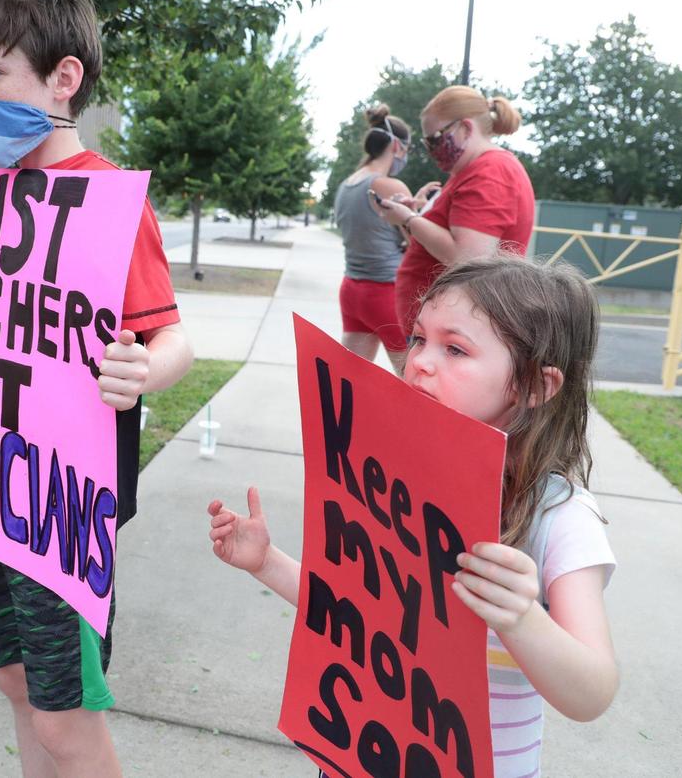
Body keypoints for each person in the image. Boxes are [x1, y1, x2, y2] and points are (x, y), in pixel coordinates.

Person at [0, 0, 193, 778]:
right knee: (14, 681)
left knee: (64, 719)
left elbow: (175, 344)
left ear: (63, 79)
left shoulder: (107, 201)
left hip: (61, 512)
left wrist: (141, 369)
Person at [207, 254, 617, 778]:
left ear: (535, 386)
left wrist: (522, 618)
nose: (418, 360)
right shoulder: (389, 478)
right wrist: (267, 564)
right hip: (363, 752)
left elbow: (592, 692)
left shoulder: (558, 516)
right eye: (420, 338)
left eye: (455, 349)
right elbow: (360, 611)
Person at [372, 85, 536, 335]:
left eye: (434, 139)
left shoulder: (489, 173)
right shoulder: (473, 170)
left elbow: (467, 258)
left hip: (452, 335)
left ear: (466, 128)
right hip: (445, 332)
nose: (431, 149)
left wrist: (410, 218)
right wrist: (411, 218)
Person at [333, 105, 413, 369]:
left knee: (350, 383)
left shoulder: (347, 184)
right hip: (386, 293)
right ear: (396, 146)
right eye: (407, 149)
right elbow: (417, 244)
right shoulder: (388, 185)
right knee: (413, 384)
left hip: (352, 290)